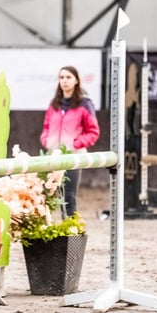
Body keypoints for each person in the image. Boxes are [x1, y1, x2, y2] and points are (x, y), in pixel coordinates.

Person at [39, 65, 100, 216]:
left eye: (68, 77)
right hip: (52, 155)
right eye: (61, 77)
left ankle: (70, 230)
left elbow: (93, 131)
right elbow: (46, 126)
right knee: (46, 196)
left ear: (76, 81)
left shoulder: (85, 104)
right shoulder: (54, 104)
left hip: (73, 156)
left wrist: (75, 144)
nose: (64, 81)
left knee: (68, 197)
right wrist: (46, 140)